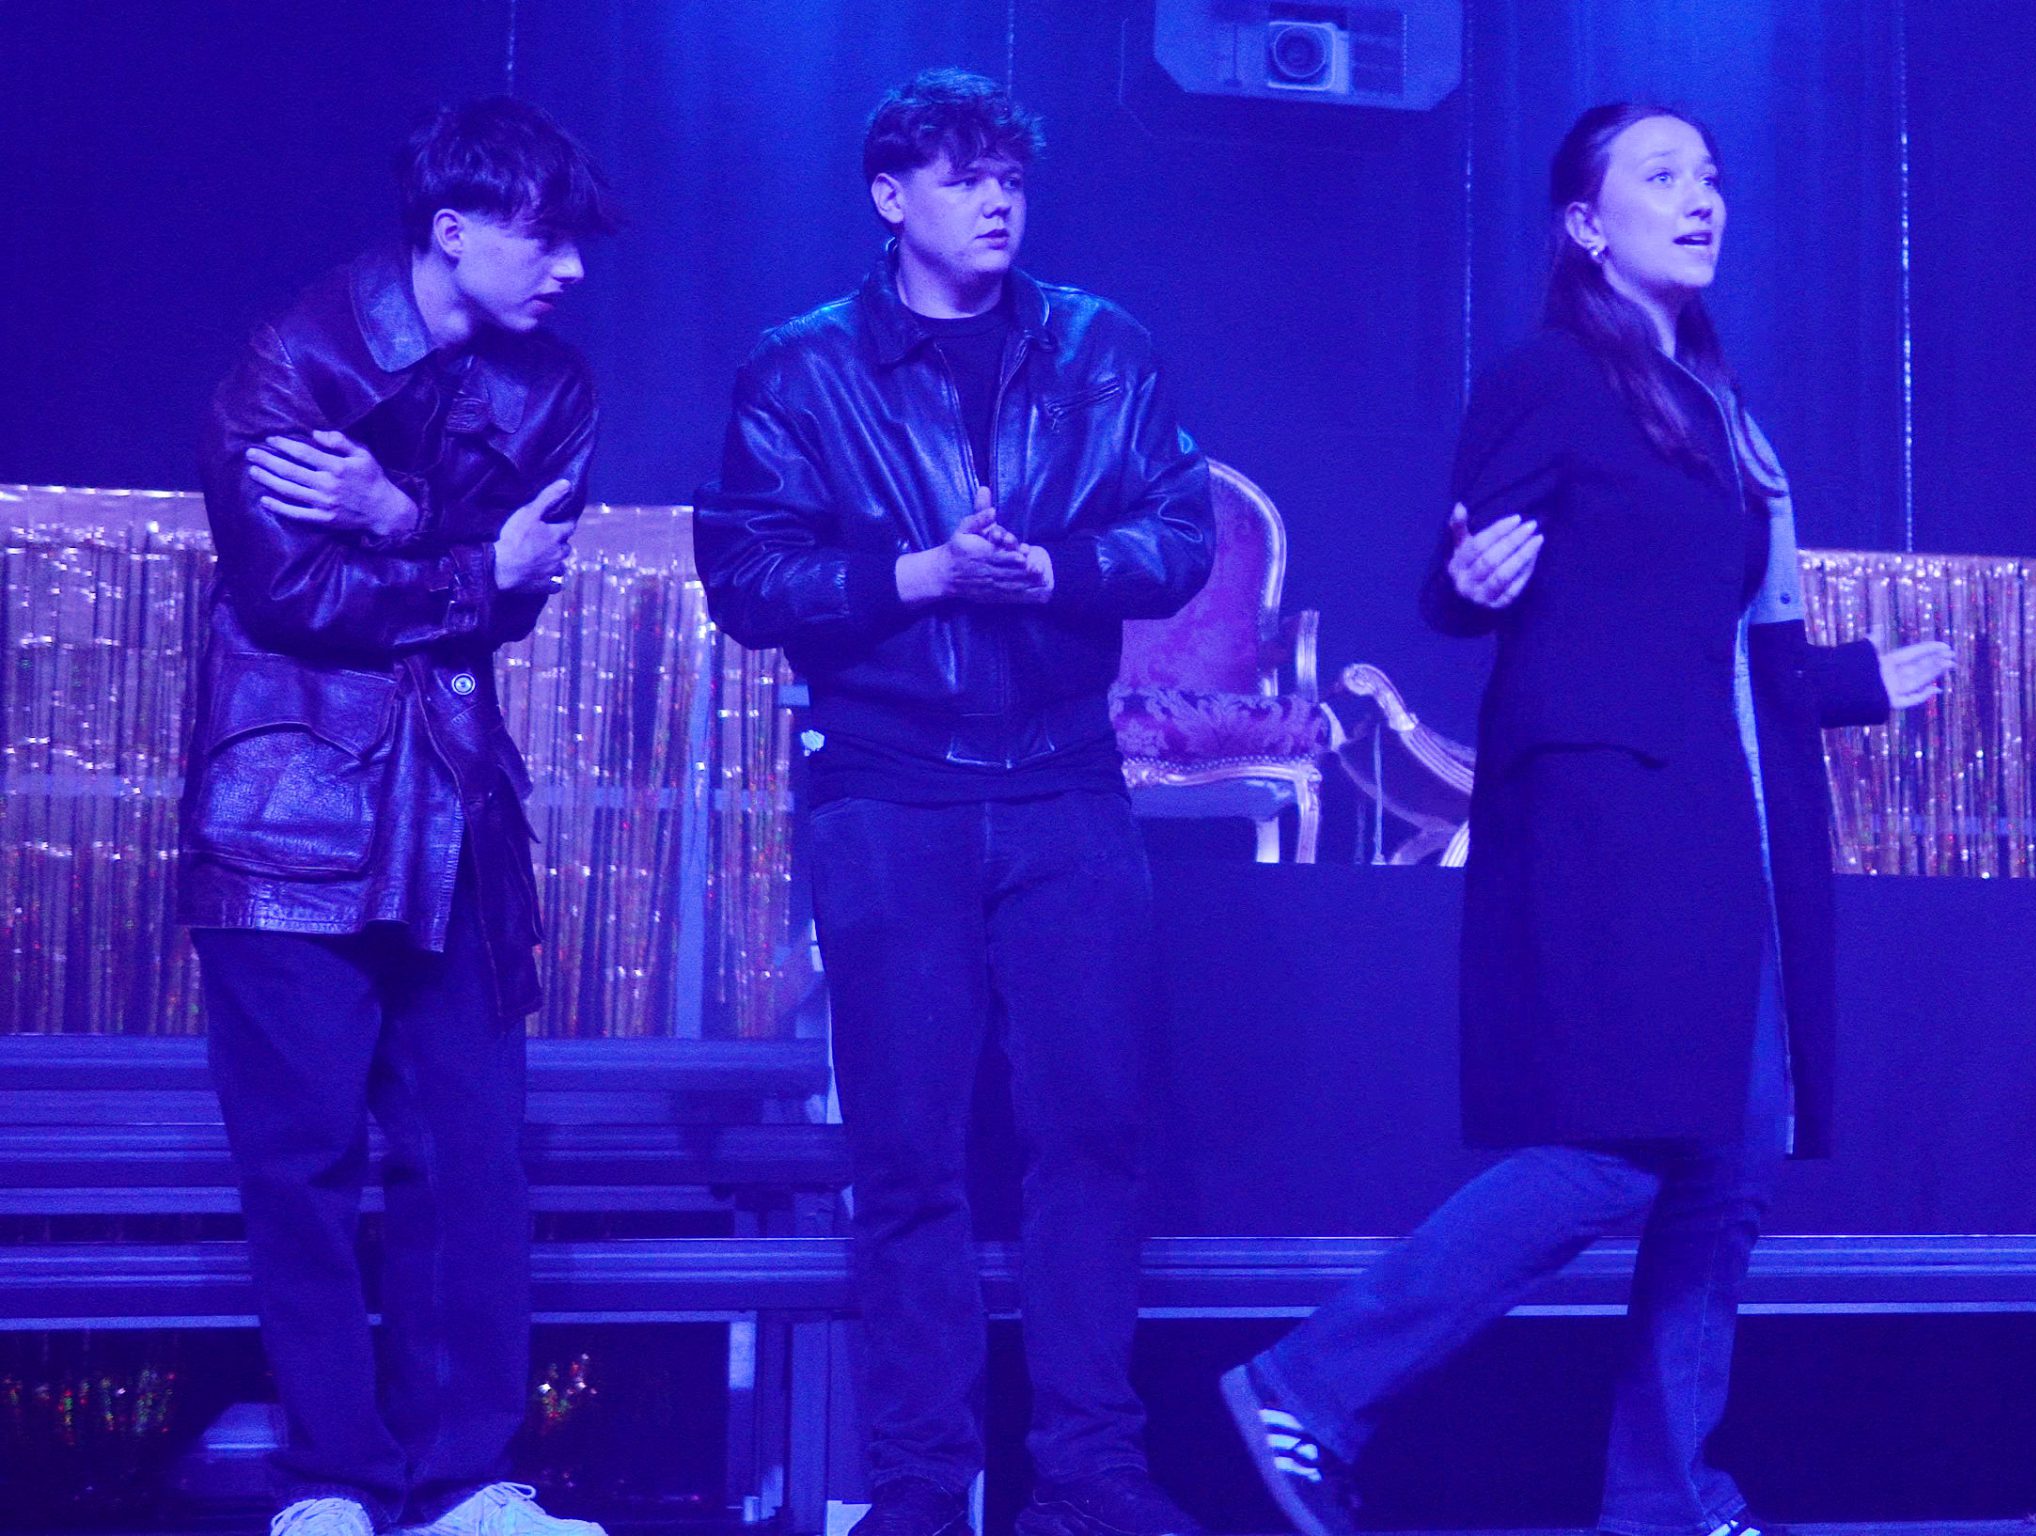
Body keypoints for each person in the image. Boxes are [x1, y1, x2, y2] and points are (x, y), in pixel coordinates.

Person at [1221, 102, 1956, 1536]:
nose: (1701, 198)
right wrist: (1466, 587)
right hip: (1610, 823)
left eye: (1711, 176)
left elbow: (1743, 652)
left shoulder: (1723, 410)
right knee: (1619, 1144)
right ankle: (1311, 1383)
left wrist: (1864, 680)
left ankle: (1667, 1497)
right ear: (1584, 224)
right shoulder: (1552, 378)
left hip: (1730, 829)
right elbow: (1460, 574)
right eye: (1662, 176)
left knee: (1729, 1164)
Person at [692, 69, 1214, 1536]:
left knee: (1091, 1136)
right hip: (888, 788)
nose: (996, 201)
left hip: (1065, 782)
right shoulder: (802, 368)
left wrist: (1054, 571)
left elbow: (1180, 532)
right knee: (909, 1154)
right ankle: (921, 1487)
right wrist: (917, 576)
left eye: (1011, 179)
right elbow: (746, 576)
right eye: (964, 176)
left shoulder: (1101, 346)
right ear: (890, 196)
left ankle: (1091, 1478)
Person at [181, 98, 619, 1536]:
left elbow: (523, 593)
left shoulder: (556, 389)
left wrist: (393, 517)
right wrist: (457, 555)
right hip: (287, 806)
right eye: (545, 240)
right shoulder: (294, 359)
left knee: (471, 1163)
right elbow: (286, 594)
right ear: (453, 230)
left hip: (453, 810)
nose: (569, 270)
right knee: (301, 1166)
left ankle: (467, 1486)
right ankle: (331, 1484)